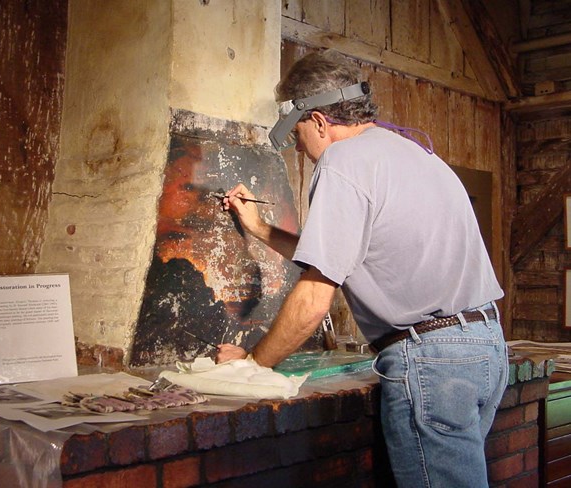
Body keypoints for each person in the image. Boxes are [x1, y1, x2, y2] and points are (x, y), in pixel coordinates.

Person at [215, 49, 509, 488]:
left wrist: (252, 366)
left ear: (317, 120)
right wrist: (259, 228)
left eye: (297, 133)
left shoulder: (343, 161)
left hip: (431, 360)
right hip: (483, 348)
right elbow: (339, 253)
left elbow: (315, 297)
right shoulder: (414, 155)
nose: (299, 147)